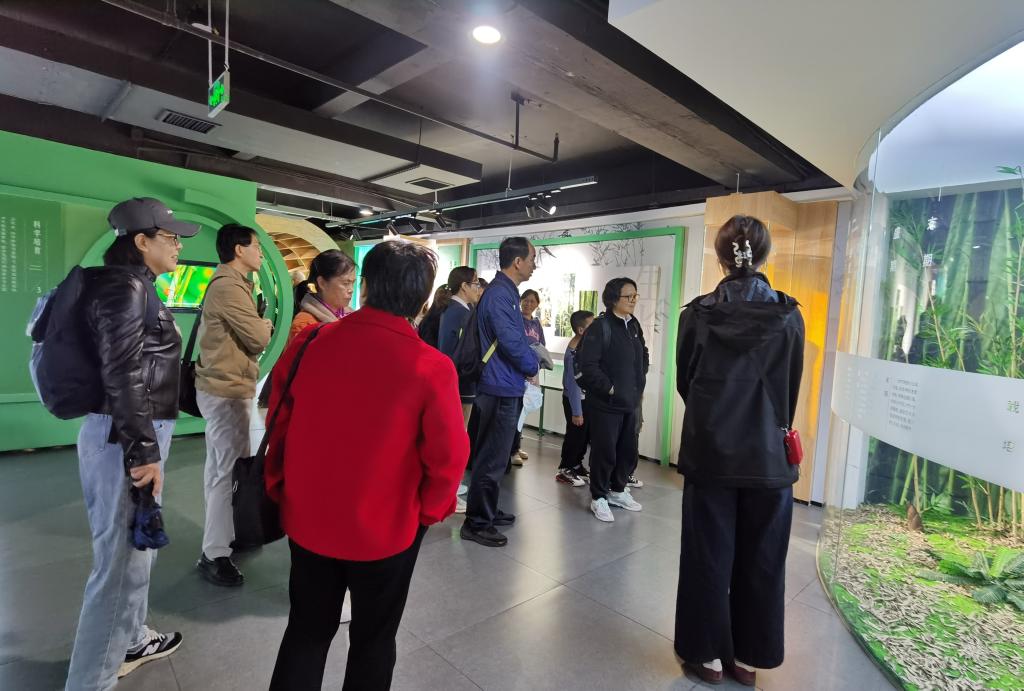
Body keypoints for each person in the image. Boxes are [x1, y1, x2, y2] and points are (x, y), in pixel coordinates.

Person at [265, 240, 467, 690]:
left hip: (309, 517)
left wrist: (280, 486)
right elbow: (448, 456)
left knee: (306, 631)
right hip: (387, 529)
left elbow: (279, 421)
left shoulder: (310, 344)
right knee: (374, 640)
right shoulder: (431, 367)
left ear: (366, 286)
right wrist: (427, 513)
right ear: (422, 298)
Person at [66, 198, 199, 689]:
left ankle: (131, 640)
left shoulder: (133, 286)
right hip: (125, 436)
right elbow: (122, 373)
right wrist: (143, 451)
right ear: (141, 241)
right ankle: (90, 681)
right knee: (120, 566)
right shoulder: (124, 289)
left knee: (136, 551)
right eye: (171, 237)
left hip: (128, 431)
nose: (179, 245)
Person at [673, 215, 805, 687]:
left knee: (706, 555)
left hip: (710, 452)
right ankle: (748, 657)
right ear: (765, 255)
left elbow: (686, 382)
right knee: (763, 560)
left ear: (720, 257)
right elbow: (789, 387)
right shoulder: (789, 315)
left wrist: (716, 417)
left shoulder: (696, 314)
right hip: (768, 456)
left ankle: (706, 655)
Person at [194, 224, 274, 587]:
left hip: (224, 387)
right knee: (226, 473)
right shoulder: (229, 286)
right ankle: (214, 553)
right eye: (256, 247)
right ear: (239, 250)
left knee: (220, 470)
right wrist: (265, 324)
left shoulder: (235, 284)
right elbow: (257, 338)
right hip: (226, 390)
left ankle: (221, 537)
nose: (260, 253)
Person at [461, 238, 539, 547]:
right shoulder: (499, 294)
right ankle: (477, 522)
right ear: (517, 262)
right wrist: (532, 364)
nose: (534, 265)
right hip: (498, 385)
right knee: (491, 458)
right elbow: (510, 341)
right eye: (532, 259)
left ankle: (488, 510)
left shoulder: (504, 292)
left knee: (496, 456)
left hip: (503, 383)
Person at [577, 277, 649, 522]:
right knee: (604, 450)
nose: (633, 300)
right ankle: (599, 496)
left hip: (631, 401)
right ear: (613, 299)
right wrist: (611, 389)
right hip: (606, 404)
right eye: (628, 296)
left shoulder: (633, 324)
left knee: (627, 450)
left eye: (635, 295)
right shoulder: (600, 327)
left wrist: (639, 380)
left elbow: (643, 353)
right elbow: (588, 366)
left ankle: (618, 490)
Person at [436, 266, 484, 512]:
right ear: (464, 286)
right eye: (475, 283)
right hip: (460, 381)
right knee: (457, 433)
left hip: (460, 380)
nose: (478, 288)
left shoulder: (460, 310)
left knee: (459, 432)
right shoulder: (459, 312)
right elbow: (451, 352)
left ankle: (452, 484)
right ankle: (449, 489)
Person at [555, 310, 594, 487]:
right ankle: (565, 468)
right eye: (592, 326)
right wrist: (577, 412)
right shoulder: (573, 354)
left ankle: (576, 464)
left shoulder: (584, 348)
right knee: (575, 435)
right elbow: (572, 385)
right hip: (575, 400)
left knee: (583, 435)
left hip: (585, 399)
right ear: (581, 330)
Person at [509, 289, 544, 466]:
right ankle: (512, 450)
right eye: (526, 300)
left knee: (523, 412)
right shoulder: (516, 319)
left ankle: (516, 446)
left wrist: (535, 369)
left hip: (532, 372)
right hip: (518, 371)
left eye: (532, 301)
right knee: (514, 412)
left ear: (537, 304)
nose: (528, 304)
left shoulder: (536, 324)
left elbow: (541, 346)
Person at [289, 249, 356, 342]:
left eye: (353, 283)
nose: (351, 290)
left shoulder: (352, 316)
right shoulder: (304, 323)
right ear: (322, 283)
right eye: (346, 283)